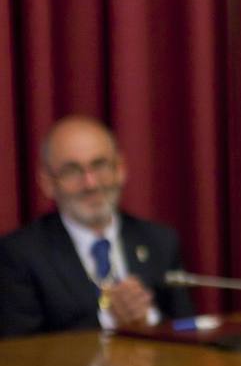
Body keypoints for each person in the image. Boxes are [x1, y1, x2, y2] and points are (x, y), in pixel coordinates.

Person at [0, 115, 195, 336]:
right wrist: (110, 320)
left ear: (120, 170)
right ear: (47, 183)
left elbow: (186, 329)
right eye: (72, 171)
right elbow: (20, 352)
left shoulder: (160, 241)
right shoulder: (19, 254)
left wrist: (148, 317)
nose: (90, 183)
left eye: (99, 165)